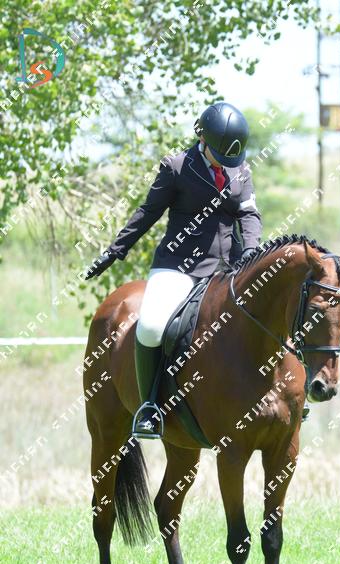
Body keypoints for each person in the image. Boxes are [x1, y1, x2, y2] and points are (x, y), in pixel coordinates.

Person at [85, 102, 262, 438]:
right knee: (151, 327)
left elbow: (249, 214)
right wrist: (115, 250)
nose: (224, 165)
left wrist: (252, 253)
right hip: (179, 267)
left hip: (228, 267)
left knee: (271, 309)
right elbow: (148, 212)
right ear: (202, 138)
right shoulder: (177, 166)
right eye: (219, 156)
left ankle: (285, 395)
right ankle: (149, 407)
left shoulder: (240, 168)